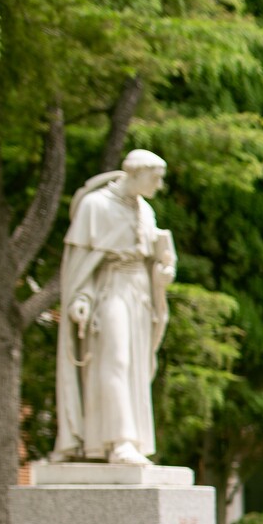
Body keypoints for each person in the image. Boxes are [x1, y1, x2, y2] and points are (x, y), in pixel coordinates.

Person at [53, 149, 175, 465]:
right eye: (155, 177)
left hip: (140, 293)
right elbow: (80, 266)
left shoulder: (145, 211)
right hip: (110, 289)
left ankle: (129, 441)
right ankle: (119, 441)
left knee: (135, 365)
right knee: (115, 359)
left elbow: (151, 261)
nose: (159, 186)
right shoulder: (95, 207)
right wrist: (80, 298)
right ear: (135, 172)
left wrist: (162, 275)